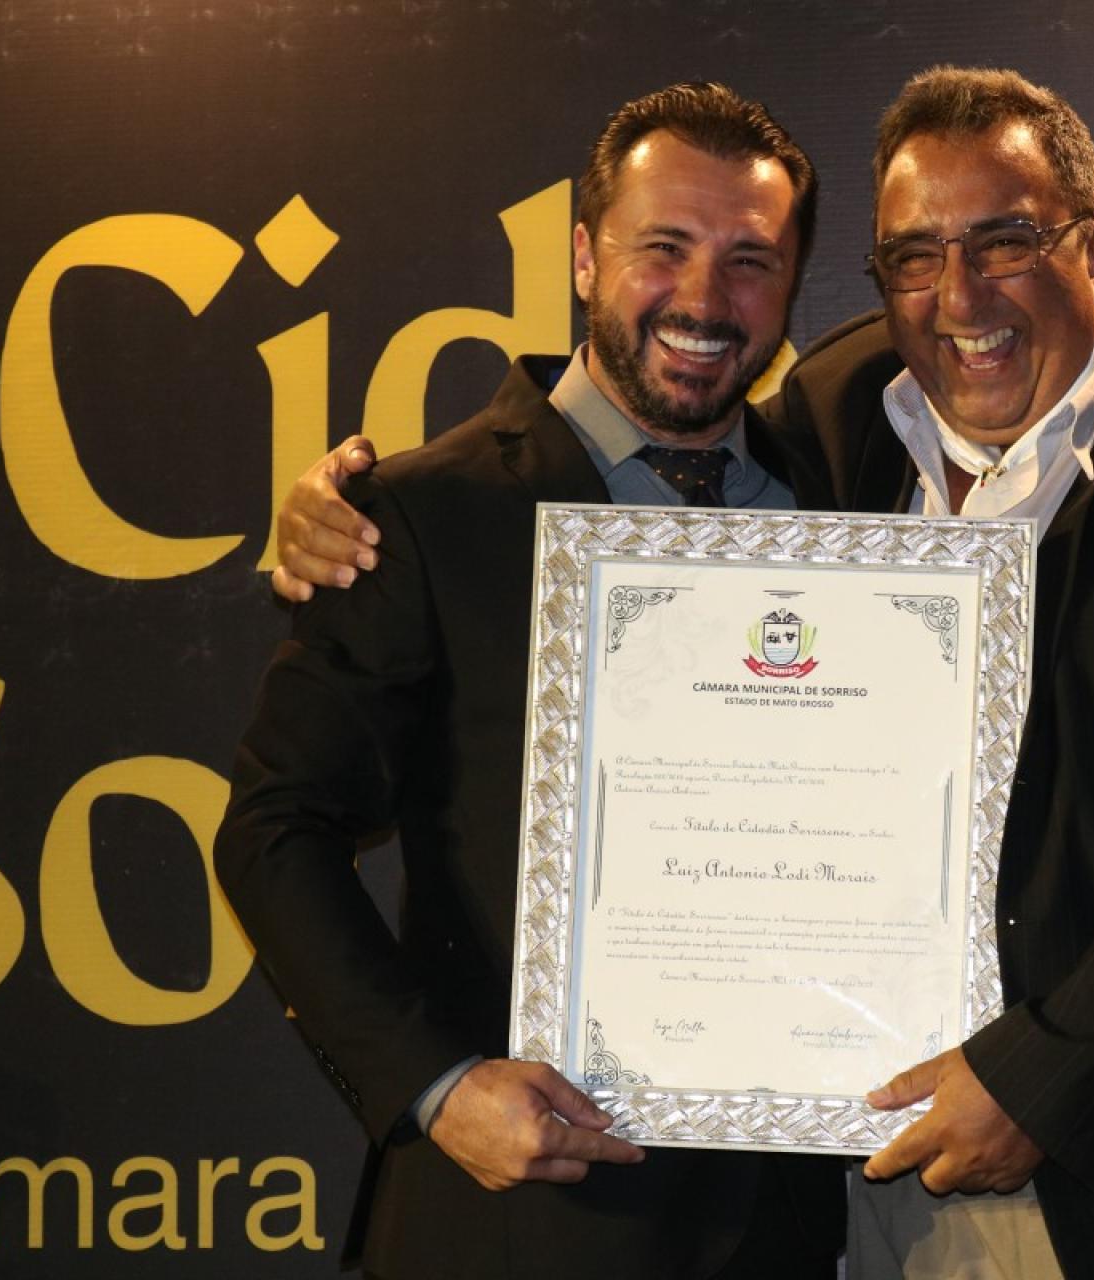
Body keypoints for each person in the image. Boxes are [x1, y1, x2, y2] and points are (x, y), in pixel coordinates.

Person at [275, 67, 1094, 1280]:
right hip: (893, 1202)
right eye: (913, 257)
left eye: (1006, 241)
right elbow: (290, 813)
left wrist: (1038, 1078)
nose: (960, 296)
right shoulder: (839, 432)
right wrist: (333, 511)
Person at [214, 83, 845, 1280]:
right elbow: (274, 829)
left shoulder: (844, 505)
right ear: (584, 255)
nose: (705, 298)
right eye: (664, 247)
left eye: (751, 260)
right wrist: (440, 1088)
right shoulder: (418, 514)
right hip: (510, 1222)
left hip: (787, 1230)